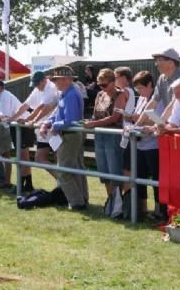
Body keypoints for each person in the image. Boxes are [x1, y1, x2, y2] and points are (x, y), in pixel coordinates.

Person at [40, 66, 88, 210]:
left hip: (70, 136)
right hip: (69, 135)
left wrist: (54, 125)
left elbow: (70, 119)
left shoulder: (71, 94)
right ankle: (82, 199)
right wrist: (48, 122)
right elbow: (59, 114)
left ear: (66, 79)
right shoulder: (66, 93)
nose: (55, 83)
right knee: (76, 169)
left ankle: (76, 202)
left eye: (57, 80)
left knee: (64, 171)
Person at [11, 71, 59, 186]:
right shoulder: (37, 89)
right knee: (39, 158)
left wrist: (31, 120)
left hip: (54, 129)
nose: (36, 86)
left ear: (44, 80)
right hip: (43, 130)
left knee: (59, 159)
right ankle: (62, 181)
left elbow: (42, 107)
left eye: (37, 83)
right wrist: (12, 118)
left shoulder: (51, 88)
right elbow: (25, 105)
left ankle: (63, 184)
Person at [129, 71, 166, 219]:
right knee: (139, 177)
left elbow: (161, 122)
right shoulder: (141, 100)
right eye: (137, 89)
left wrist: (142, 120)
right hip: (140, 145)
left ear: (150, 85)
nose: (139, 92)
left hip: (154, 146)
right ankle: (142, 209)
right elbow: (139, 118)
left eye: (141, 88)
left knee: (156, 180)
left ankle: (159, 210)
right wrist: (134, 119)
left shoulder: (160, 101)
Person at [83, 68, 126, 197]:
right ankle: (111, 199)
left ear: (113, 82)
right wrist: (89, 122)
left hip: (113, 136)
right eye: (99, 84)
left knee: (114, 169)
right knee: (103, 169)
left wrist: (94, 124)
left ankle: (118, 202)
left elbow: (115, 117)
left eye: (104, 84)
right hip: (99, 135)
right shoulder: (100, 95)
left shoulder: (120, 94)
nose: (102, 87)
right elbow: (95, 116)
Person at [137, 48, 180, 124]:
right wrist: (136, 125)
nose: (156, 64)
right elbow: (152, 102)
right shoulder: (161, 78)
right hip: (173, 123)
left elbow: (173, 104)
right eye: (156, 61)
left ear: (171, 63)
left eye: (160, 60)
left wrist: (159, 125)